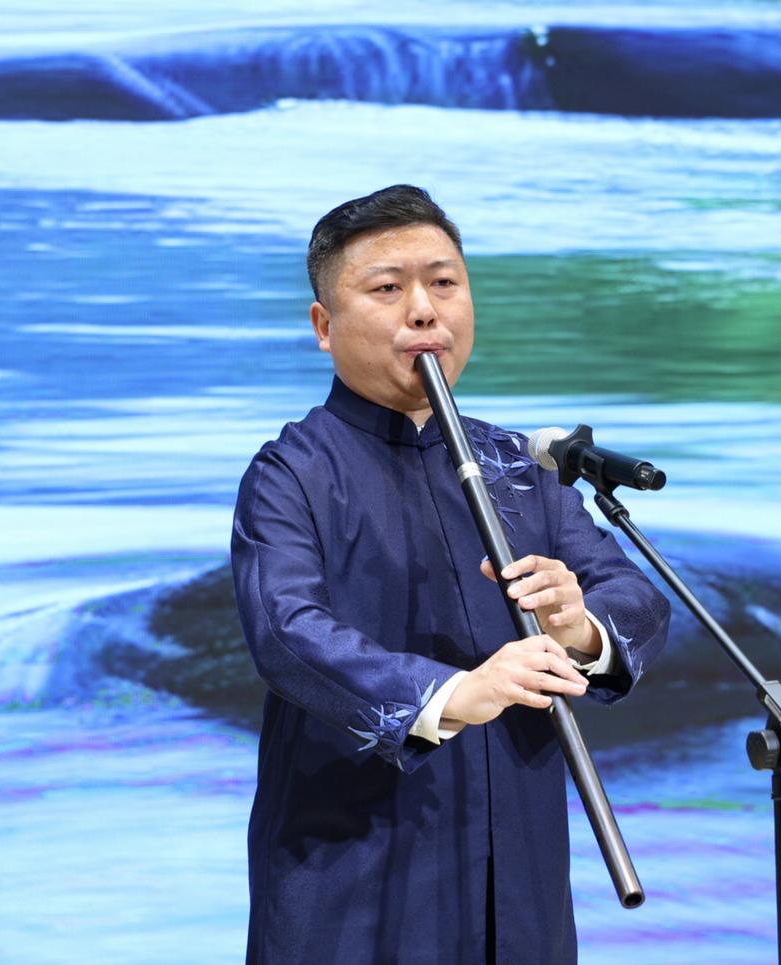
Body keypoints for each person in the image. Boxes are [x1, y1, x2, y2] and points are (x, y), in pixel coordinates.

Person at [231, 184, 670, 964]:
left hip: (521, 875)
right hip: (352, 878)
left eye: (443, 282)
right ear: (324, 327)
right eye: (387, 289)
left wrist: (580, 627)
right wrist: (452, 694)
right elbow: (286, 633)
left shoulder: (518, 466)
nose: (424, 311)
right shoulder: (292, 471)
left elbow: (634, 595)